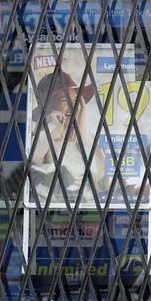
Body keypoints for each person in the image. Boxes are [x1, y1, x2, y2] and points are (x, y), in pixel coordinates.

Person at [29, 71, 105, 205]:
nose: (72, 106)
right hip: (51, 210)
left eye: (76, 100)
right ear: (51, 106)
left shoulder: (91, 146)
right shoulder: (42, 138)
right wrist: (51, 128)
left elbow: (105, 186)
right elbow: (33, 163)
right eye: (64, 100)